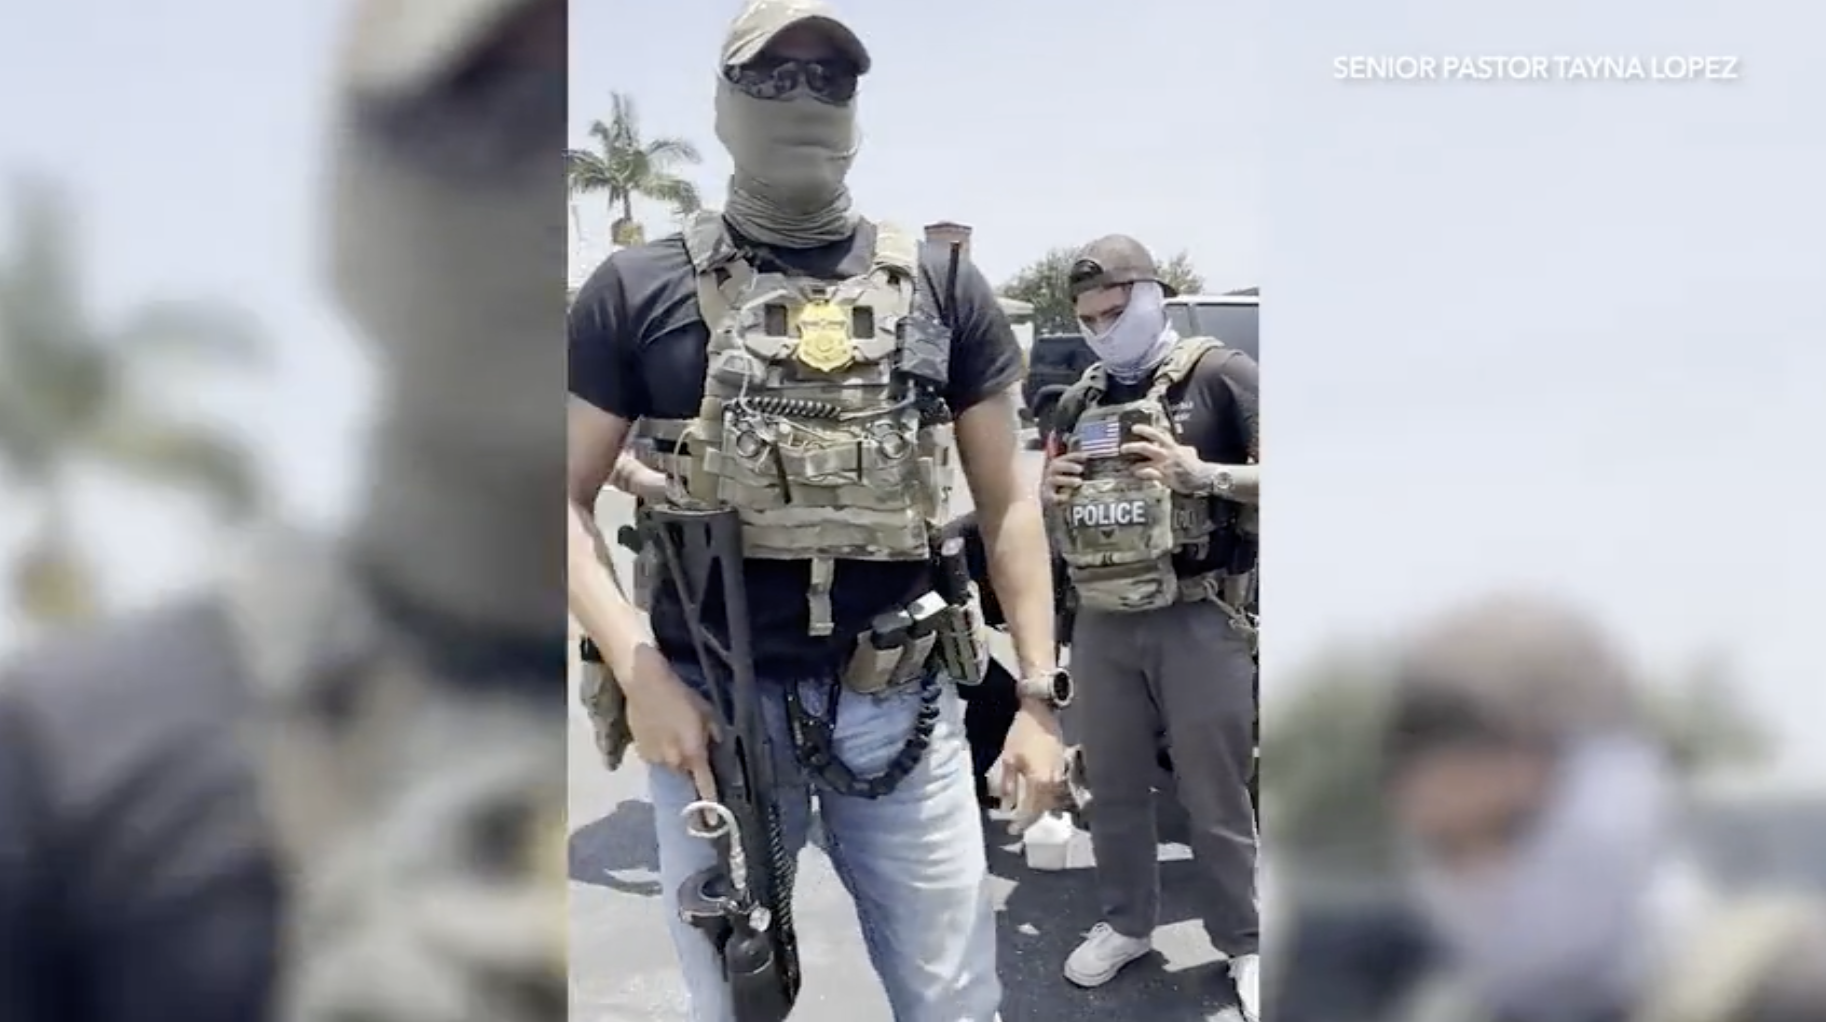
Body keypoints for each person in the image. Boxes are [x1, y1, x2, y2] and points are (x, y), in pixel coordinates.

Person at [0, 0, 569, 1019]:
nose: (545, 182)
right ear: (349, 204)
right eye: (497, 106)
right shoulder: (70, 762)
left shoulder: (738, 674)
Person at [564, 1, 1069, 1019]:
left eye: (827, 78)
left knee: (955, 996)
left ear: (856, 107)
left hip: (906, 707)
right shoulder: (636, 285)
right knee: (735, 998)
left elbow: (1009, 501)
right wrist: (638, 667)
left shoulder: (938, 287)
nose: (803, 96)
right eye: (772, 76)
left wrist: (1037, 698)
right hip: (713, 711)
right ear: (722, 102)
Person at [1381, 594, 1826, 1022]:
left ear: (1619, 791)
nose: (1485, 877)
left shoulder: (1790, 990)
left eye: (1514, 827)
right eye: (1448, 847)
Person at [1039, 234, 1262, 1016]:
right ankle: (1127, 923)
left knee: (1215, 792)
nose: (1105, 326)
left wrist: (1203, 475)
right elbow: (1048, 501)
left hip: (1199, 615)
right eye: (1090, 317)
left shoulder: (1222, 375)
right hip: (1103, 622)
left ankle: (1247, 941)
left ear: (1153, 295)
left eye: (1116, 308)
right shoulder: (1079, 397)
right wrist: (1054, 488)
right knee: (1115, 790)